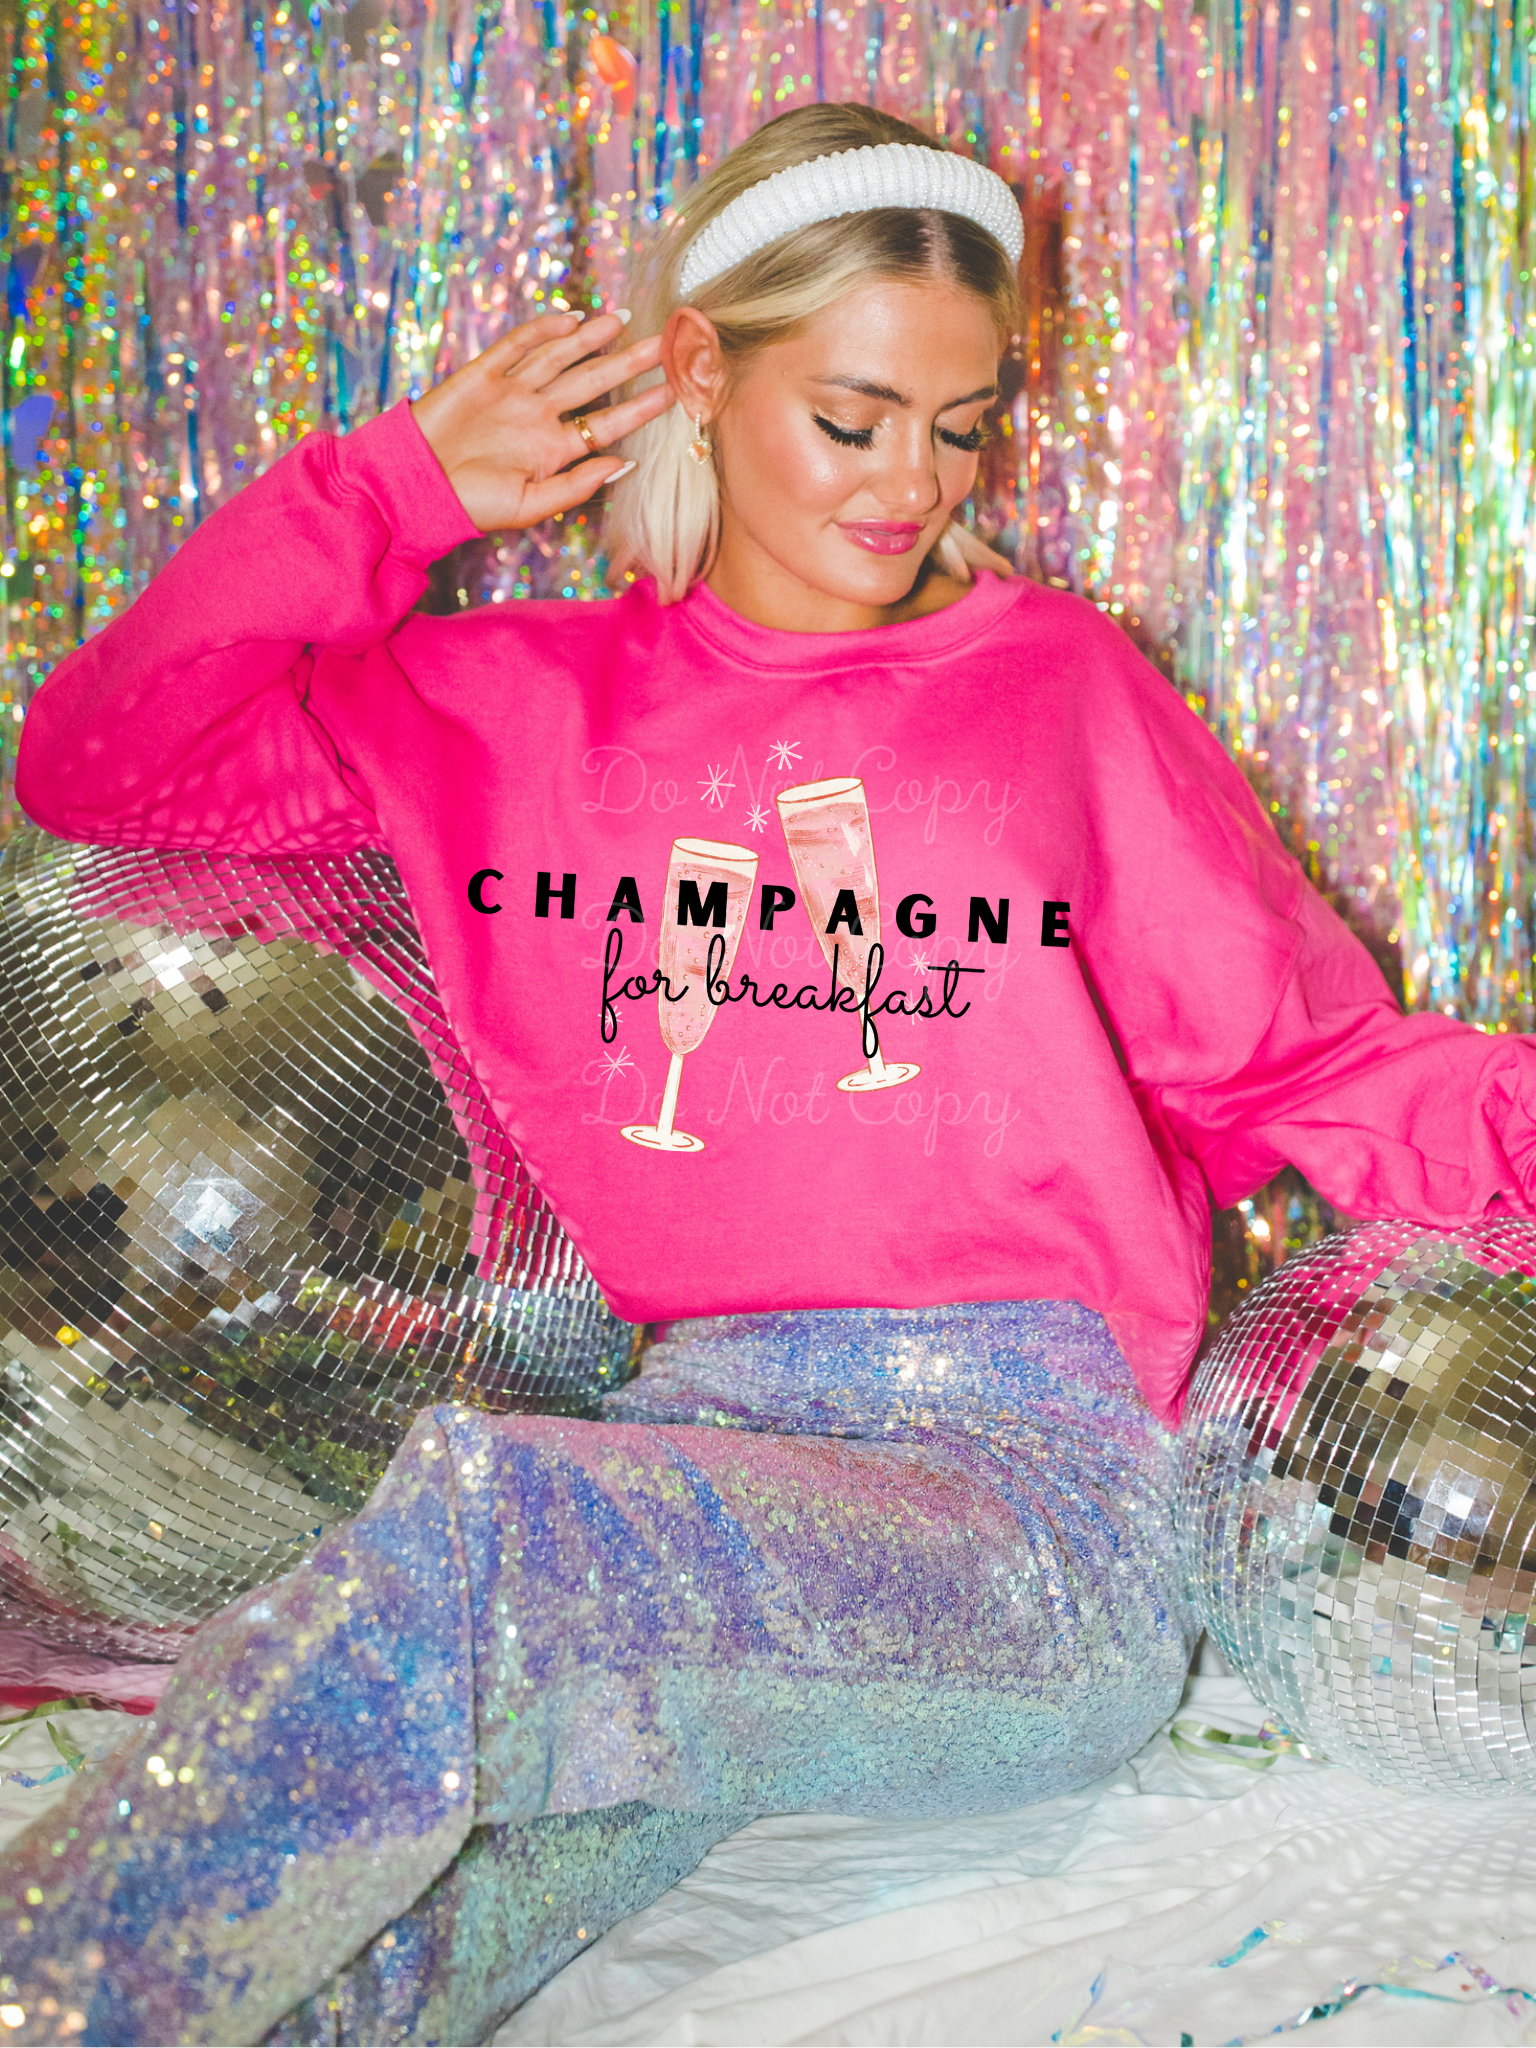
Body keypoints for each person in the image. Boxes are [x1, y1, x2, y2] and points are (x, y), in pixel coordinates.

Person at [7, 98, 1536, 2047]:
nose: (914, 482)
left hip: (1025, 1507)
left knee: (487, 1530)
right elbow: (104, 764)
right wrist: (390, 489)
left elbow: (1315, 1065)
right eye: (853, 417)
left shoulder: (1059, 686)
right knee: (417, 1914)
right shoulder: (505, 705)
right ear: (699, 375)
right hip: (682, 1453)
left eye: (960, 424)